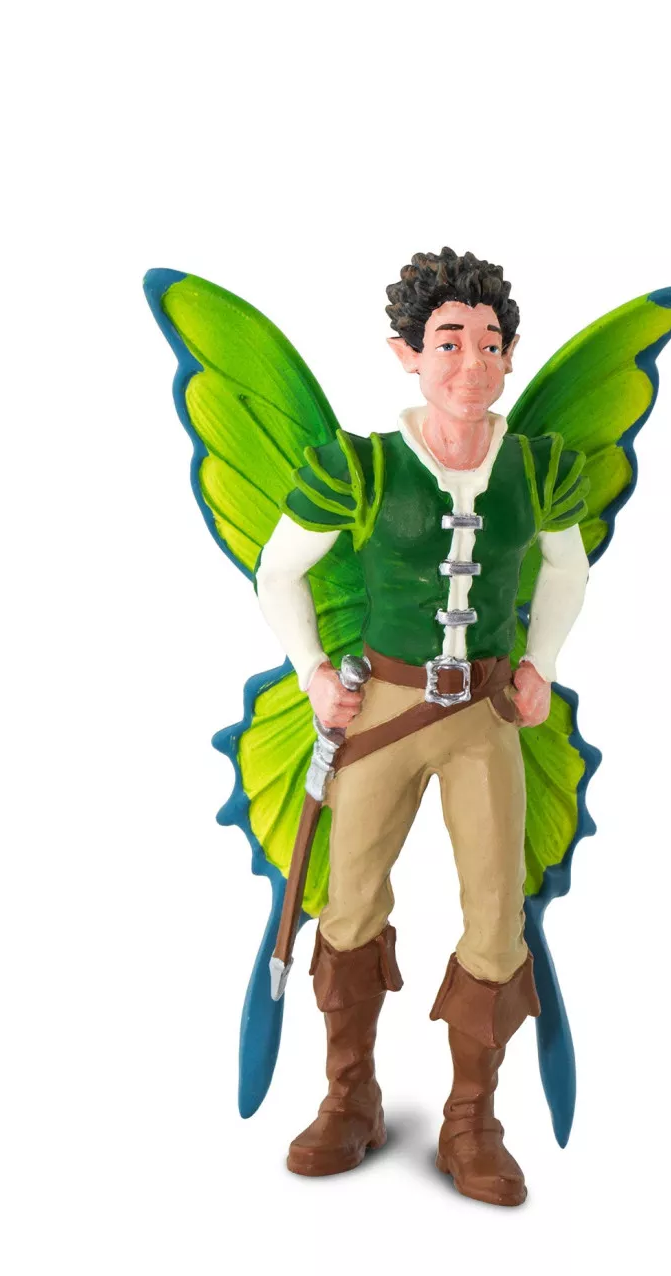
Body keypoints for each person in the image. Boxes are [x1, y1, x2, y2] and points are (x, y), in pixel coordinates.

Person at [254, 248, 590, 1206]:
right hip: (383, 711)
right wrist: (314, 673)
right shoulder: (359, 468)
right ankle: (348, 1096)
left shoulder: (537, 468)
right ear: (407, 353)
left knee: (496, 911)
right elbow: (280, 572)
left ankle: (472, 1118)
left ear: (511, 353)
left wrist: (541, 662)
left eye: (490, 343)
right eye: (449, 342)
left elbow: (565, 569)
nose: (471, 363)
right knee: (350, 900)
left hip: (484, 712)